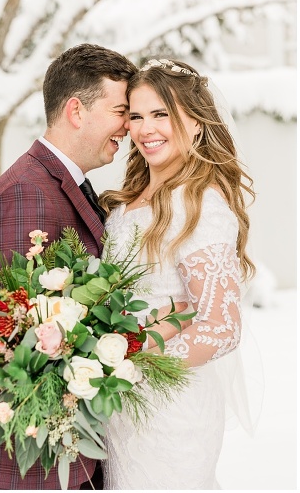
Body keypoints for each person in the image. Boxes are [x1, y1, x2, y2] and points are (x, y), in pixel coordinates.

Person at [0, 44, 137, 490]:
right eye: (120, 111)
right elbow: (18, 334)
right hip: (26, 454)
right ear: (76, 110)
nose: (128, 126)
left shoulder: (61, 182)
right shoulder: (26, 194)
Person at [99, 58, 255, 489]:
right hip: (120, 408)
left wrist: (135, 366)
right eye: (136, 116)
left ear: (197, 123)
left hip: (170, 409)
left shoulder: (199, 203)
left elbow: (221, 326)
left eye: (161, 114)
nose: (146, 129)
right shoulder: (131, 198)